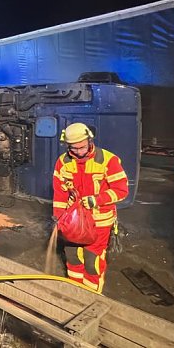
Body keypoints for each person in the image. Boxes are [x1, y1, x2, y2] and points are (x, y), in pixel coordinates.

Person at [52, 122, 129, 293]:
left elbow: (122, 191)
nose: (79, 152)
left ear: (90, 140)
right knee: (72, 257)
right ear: (67, 145)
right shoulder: (63, 163)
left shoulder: (108, 160)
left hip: (99, 222)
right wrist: (58, 217)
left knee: (92, 261)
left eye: (82, 147)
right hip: (73, 223)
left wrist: (97, 200)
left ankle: (91, 295)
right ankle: (76, 292)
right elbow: (60, 193)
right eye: (74, 148)